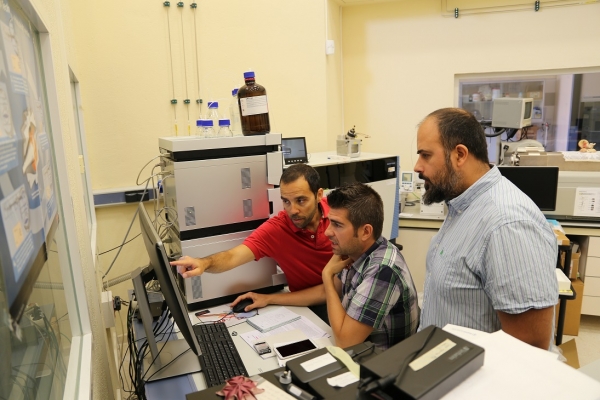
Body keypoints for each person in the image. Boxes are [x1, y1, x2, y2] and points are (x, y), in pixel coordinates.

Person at [414, 108, 558, 350]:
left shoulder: (506, 224)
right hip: (443, 370)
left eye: (426, 155)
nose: (417, 166)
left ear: (460, 154)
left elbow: (530, 345)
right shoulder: (462, 206)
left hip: (475, 381)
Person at [170, 163, 333, 316]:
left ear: (319, 195)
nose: (293, 210)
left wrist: (270, 299)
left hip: (349, 299)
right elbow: (233, 256)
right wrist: (204, 263)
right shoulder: (277, 229)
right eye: (286, 201)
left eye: (301, 200)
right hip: (311, 308)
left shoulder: (339, 216)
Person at [321, 182, 419, 350]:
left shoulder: (383, 269)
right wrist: (271, 299)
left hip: (381, 367)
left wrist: (327, 276)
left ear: (365, 232)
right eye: (330, 222)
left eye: (337, 225)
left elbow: (346, 342)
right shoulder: (358, 251)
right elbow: (329, 292)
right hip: (362, 354)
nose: (327, 232)